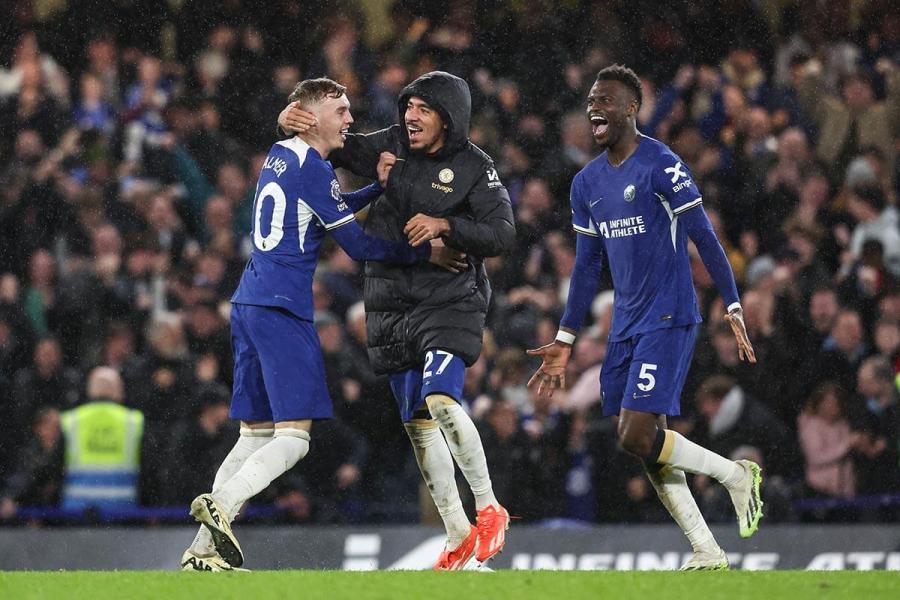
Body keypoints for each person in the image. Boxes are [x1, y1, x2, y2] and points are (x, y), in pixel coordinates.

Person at [183, 78, 462, 572]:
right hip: (283, 308)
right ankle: (222, 506)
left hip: (248, 302)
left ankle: (202, 552)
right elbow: (358, 247)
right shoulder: (313, 168)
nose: (350, 120)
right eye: (341, 110)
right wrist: (424, 253)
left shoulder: (281, 155)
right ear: (311, 116)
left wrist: (375, 188)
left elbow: (322, 207)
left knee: (254, 435)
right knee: (294, 437)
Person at [526, 65, 763, 571]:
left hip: (670, 312)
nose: (595, 108)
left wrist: (734, 304)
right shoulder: (586, 183)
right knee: (644, 441)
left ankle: (735, 474)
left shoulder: (663, 164)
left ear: (631, 108)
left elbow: (703, 235)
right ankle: (706, 548)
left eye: (606, 100)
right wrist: (566, 338)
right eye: (591, 100)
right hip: (625, 323)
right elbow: (588, 266)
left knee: (635, 434)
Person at [278, 70, 515, 569]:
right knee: (417, 423)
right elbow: (330, 145)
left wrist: (446, 224)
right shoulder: (389, 144)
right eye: (408, 107)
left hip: (450, 297)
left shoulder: (475, 166)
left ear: (449, 118)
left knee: (441, 398)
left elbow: (501, 233)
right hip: (392, 301)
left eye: (424, 109)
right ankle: (456, 533)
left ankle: (489, 507)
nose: (410, 116)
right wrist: (288, 122)